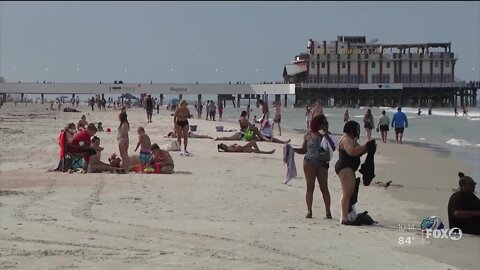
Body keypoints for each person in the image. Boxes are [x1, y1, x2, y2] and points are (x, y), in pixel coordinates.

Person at [293, 115, 334, 219]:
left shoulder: (326, 135)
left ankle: (328, 212)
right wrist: (292, 149)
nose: (324, 125)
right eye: (322, 123)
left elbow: (333, 147)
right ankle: (309, 211)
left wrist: (326, 134)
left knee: (324, 188)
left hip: (322, 163)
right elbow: (303, 150)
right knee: (310, 187)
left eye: (325, 123)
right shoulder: (308, 134)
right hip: (309, 162)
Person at [335, 121, 370, 225]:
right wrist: (365, 146)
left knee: (349, 193)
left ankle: (346, 216)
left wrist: (367, 147)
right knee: (347, 194)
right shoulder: (346, 139)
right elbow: (352, 151)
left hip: (348, 168)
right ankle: (345, 219)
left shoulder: (351, 139)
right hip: (345, 168)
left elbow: (360, 151)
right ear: (351, 130)